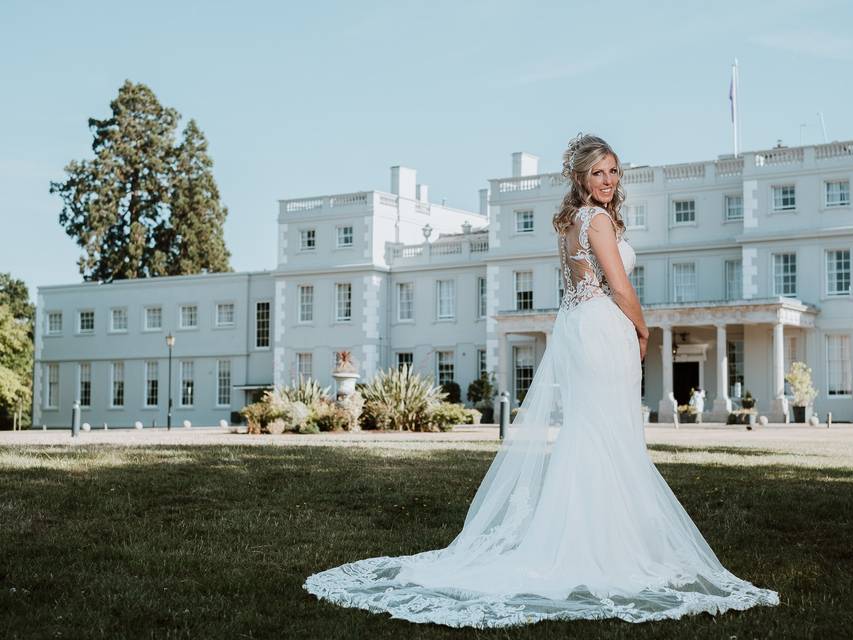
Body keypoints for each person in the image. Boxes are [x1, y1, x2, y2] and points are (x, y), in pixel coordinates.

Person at [303, 134, 779, 628]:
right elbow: (619, 287)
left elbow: (580, 286)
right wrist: (642, 330)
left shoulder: (571, 223)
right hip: (601, 328)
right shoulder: (595, 221)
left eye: (614, 172)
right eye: (598, 173)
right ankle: (603, 546)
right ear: (580, 178)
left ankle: (589, 536)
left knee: (591, 432)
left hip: (580, 327)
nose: (609, 181)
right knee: (608, 434)